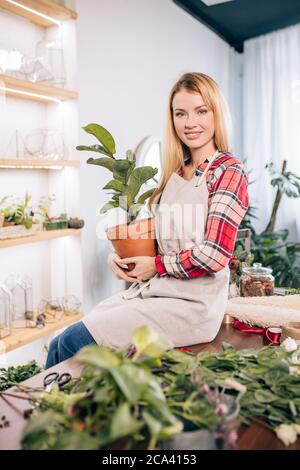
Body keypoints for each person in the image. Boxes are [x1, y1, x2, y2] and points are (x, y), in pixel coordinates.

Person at [46, 72, 249, 368]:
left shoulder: (228, 171)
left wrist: (153, 265)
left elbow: (214, 255)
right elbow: (160, 240)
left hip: (192, 307)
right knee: (62, 340)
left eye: (201, 111)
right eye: (181, 113)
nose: (190, 122)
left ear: (217, 113)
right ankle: (57, 409)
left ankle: (52, 410)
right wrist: (121, 259)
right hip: (157, 292)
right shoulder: (177, 174)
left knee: (72, 342)